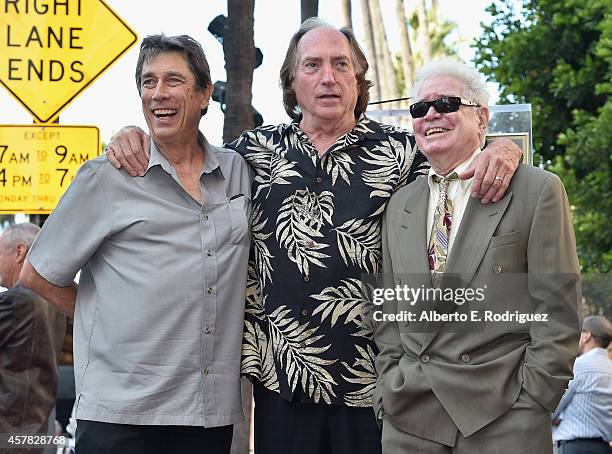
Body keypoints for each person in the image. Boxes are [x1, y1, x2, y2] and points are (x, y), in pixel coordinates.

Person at [105, 19, 523, 454]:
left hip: (377, 382)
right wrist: (132, 135)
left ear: (357, 80)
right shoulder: (252, 153)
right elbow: (185, 160)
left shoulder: (402, 152)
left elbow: (458, 165)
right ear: (291, 82)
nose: (328, 77)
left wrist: (501, 148)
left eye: (341, 64)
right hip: (281, 382)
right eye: (312, 65)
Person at [19, 34, 251, 454]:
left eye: (173, 80)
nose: (157, 93)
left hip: (207, 415)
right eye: (148, 82)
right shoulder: (106, 178)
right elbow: (36, 273)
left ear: (203, 95)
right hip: (120, 416)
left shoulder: (239, 171)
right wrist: (101, 316)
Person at [375, 57, 581, 453]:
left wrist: (534, 400)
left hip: (501, 419)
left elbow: (558, 311)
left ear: (482, 118)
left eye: (447, 103)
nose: (431, 114)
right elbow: (391, 313)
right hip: (409, 421)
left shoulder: (536, 190)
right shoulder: (400, 204)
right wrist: (389, 387)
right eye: (420, 108)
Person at [0, 223, 66, 454]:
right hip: (36, 431)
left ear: (19, 251)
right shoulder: (53, 301)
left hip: (9, 435)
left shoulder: (17, 300)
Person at [552, 316, 612, 453]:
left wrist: (559, 417)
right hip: (604, 448)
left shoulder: (578, 366)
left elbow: (552, 408)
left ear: (586, 336)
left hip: (574, 447)